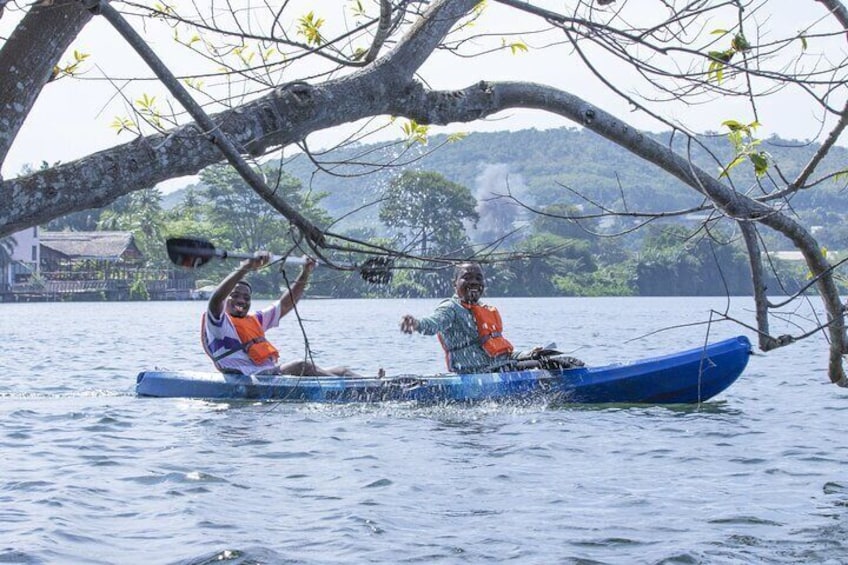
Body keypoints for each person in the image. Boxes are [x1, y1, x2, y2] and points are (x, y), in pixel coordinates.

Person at [400, 262, 583, 374]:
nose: (474, 283)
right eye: (466, 278)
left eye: (478, 279)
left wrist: (529, 353)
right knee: (554, 365)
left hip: (500, 366)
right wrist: (416, 324)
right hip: (478, 374)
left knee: (562, 361)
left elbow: (502, 353)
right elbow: (432, 324)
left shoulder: (485, 310)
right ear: (454, 284)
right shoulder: (450, 308)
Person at [202, 251, 356, 376]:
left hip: (269, 373)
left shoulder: (256, 320)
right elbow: (216, 299)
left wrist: (305, 272)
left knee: (342, 370)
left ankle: (376, 385)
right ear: (226, 299)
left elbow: (286, 304)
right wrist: (245, 267)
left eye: (246, 298)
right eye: (235, 296)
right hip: (249, 376)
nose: (241, 301)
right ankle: (350, 390)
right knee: (302, 365)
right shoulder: (218, 322)